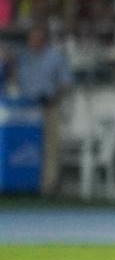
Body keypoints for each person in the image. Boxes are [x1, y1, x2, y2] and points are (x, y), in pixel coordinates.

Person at [13, 24, 72, 197]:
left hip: (48, 107)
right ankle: (23, 183)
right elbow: (17, 77)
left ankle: (48, 187)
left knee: (50, 147)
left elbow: (66, 82)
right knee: (25, 147)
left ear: (43, 40)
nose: (34, 42)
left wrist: (54, 96)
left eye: (37, 38)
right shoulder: (23, 57)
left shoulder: (54, 58)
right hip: (26, 108)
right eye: (31, 38)